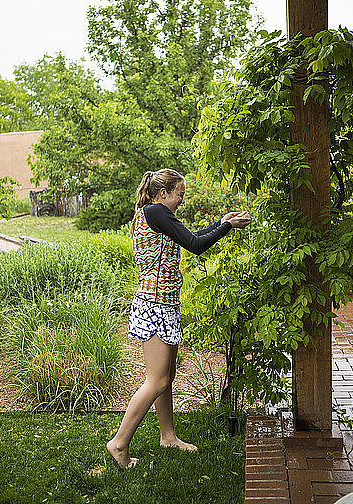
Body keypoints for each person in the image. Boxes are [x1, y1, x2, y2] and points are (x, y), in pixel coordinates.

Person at [106, 168, 251, 469]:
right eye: (179, 195)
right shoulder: (157, 212)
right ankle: (118, 444)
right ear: (163, 194)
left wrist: (223, 222)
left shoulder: (157, 214)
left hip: (163, 303)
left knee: (166, 378)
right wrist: (226, 227)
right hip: (154, 304)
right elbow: (196, 246)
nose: (181, 201)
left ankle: (168, 436)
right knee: (157, 379)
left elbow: (191, 237)